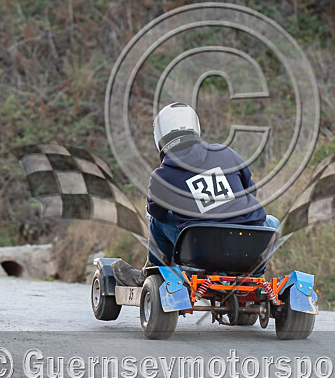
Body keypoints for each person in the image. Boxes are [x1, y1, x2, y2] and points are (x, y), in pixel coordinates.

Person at [112, 103, 280, 286]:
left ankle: (154, 271)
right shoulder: (226, 153)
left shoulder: (162, 175)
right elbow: (251, 191)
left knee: (155, 221)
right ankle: (254, 276)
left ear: (159, 137)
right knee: (272, 222)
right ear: (195, 128)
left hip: (201, 250)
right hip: (249, 246)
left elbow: (157, 213)